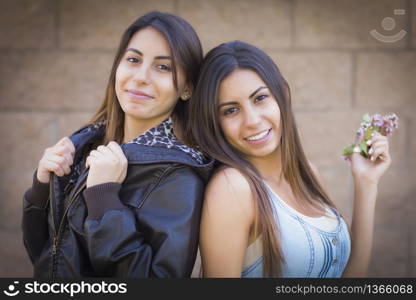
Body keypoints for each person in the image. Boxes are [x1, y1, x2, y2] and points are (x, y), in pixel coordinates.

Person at [22, 11, 213, 278]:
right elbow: (46, 255)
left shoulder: (177, 175)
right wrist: (41, 189)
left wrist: (105, 200)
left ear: (186, 89)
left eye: (163, 67)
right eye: (133, 59)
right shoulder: (85, 146)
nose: (140, 77)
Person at [187, 41, 391, 277]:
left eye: (260, 98)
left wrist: (366, 183)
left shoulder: (309, 175)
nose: (252, 120)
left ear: (283, 93)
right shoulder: (233, 188)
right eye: (230, 110)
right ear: (215, 122)